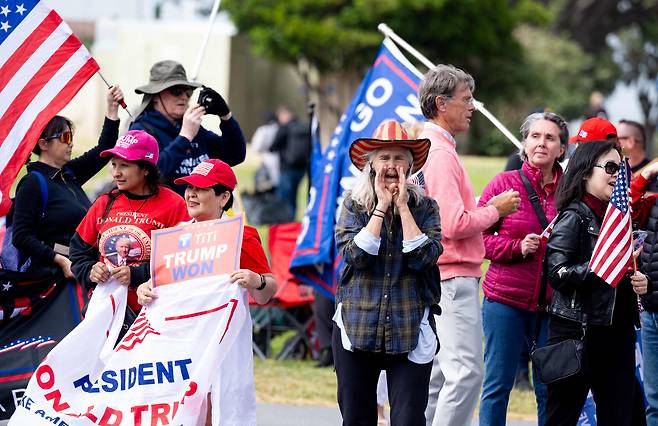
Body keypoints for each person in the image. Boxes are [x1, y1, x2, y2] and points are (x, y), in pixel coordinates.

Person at [135, 159, 277, 426]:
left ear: (224, 197)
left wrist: (256, 280)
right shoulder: (175, 236)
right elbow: (159, 285)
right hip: (178, 347)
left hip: (219, 347)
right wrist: (145, 289)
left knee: (214, 412)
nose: (190, 194)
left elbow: (266, 292)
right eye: (189, 187)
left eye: (201, 188)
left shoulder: (242, 236)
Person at [417, 64, 520, 426]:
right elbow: (453, 223)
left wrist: (480, 207)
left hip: (440, 275)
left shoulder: (430, 148)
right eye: (466, 99)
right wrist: (495, 209)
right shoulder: (441, 154)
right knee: (465, 374)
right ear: (441, 104)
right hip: (452, 277)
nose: (473, 106)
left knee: (440, 376)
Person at [333, 120, 442, 425]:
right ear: (372, 165)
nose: (391, 165)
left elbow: (424, 258)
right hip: (357, 326)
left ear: (409, 165)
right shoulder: (354, 204)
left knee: (408, 419)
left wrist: (404, 208)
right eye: (384, 158)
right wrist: (381, 208)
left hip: (409, 326)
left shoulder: (426, 207)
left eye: (399, 158)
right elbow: (355, 256)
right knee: (357, 418)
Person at [544, 140, 649, 425]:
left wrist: (637, 281)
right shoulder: (573, 217)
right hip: (576, 331)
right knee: (562, 417)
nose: (618, 175)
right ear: (586, 172)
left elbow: (618, 278)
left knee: (622, 416)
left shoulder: (619, 219)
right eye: (611, 167)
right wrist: (601, 268)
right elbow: (557, 273)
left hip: (617, 333)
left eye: (622, 168)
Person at [477, 112, 568, 425]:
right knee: (497, 386)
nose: (541, 143)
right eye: (535, 136)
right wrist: (517, 248)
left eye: (550, 138)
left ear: (561, 149)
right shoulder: (504, 183)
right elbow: (478, 238)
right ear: (525, 144)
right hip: (505, 303)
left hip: (553, 307)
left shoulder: (570, 192)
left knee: (549, 389)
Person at [69, 130, 189, 315]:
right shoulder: (104, 202)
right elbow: (78, 251)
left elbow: (182, 261)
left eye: (124, 166)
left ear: (146, 169)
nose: (116, 173)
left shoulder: (174, 205)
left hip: (151, 313)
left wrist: (137, 274)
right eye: (114, 165)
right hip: (105, 311)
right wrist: (89, 271)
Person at [11, 87, 124, 281]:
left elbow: (104, 150)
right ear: (43, 144)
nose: (70, 143)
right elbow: (21, 237)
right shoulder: (32, 183)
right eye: (64, 138)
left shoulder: (69, 173)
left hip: (85, 268)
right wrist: (60, 260)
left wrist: (112, 109)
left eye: (71, 137)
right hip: (55, 278)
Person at [129, 60, 246, 196]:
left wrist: (226, 117)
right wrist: (185, 137)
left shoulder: (193, 128)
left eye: (188, 92)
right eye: (177, 91)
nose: (184, 97)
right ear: (155, 96)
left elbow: (235, 155)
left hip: (199, 214)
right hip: (167, 215)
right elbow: (149, 177)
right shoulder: (140, 131)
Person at [629, 161, 658, 425]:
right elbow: (625, 207)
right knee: (654, 400)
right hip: (650, 309)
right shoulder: (653, 194)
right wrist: (646, 173)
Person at [270, 105, 310, 219]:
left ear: (285, 114)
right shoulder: (304, 126)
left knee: (284, 197)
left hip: (287, 168)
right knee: (294, 196)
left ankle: (284, 223)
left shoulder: (285, 127)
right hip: (302, 169)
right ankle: (292, 220)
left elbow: (273, 145)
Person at [250, 111, 280, 192]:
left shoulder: (263, 130)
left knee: (265, 187)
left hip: (267, 159)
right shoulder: (280, 129)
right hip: (280, 160)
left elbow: (255, 148)